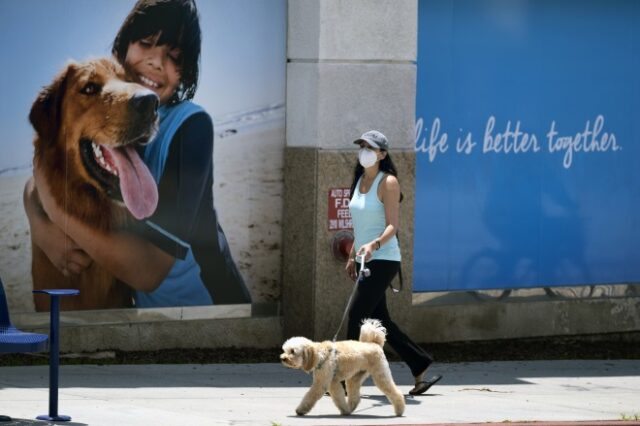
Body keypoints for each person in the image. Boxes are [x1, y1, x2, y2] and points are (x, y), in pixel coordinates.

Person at [23, 0, 251, 307]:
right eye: (146, 43)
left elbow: (148, 271)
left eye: (174, 57)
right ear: (124, 45)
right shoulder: (122, 122)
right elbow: (44, 160)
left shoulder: (191, 126)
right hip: (146, 316)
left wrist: (54, 214)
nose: (157, 62)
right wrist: (38, 221)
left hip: (211, 307)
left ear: (185, 72)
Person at [345, 130, 441, 395]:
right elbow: (361, 225)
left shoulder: (388, 182)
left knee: (356, 316)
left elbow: (392, 226)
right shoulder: (359, 179)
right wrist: (354, 253)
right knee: (381, 321)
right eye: (361, 145)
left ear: (382, 154)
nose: (364, 150)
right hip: (366, 258)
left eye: (370, 147)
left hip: (384, 258)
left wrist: (373, 245)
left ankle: (345, 378)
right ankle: (419, 363)